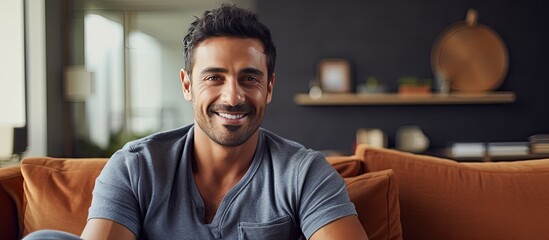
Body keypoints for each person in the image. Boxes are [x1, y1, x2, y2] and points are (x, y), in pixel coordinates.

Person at [24, 4, 368, 240]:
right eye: (214, 77)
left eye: (249, 78)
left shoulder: (304, 172)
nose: (233, 97)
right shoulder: (134, 167)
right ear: (187, 85)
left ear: (270, 87)